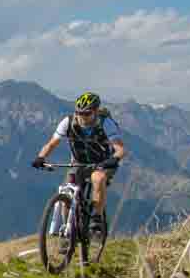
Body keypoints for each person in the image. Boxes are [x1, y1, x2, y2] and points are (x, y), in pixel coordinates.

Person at [33, 92, 127, 235]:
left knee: (97, 178)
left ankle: (96, 218)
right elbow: (51, 144)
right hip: (79, 162)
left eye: (87, 113)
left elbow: (120, 149)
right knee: (68, 191)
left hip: (102, 163)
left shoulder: (106, 123)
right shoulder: (68, 122)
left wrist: (113, 160)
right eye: (79, 112)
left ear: (95, 111)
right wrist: (41, 157)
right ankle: (66, 230)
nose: (82, 116)